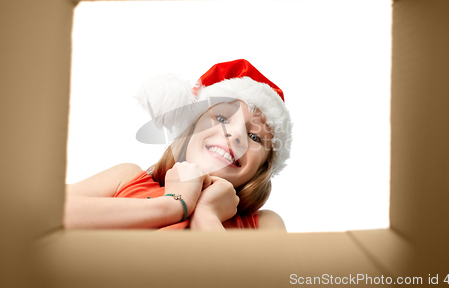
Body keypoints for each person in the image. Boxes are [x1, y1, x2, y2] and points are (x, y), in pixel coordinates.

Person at [64, 59, 292, 231]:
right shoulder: (127, 178)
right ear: (190, 130)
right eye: (221, 119)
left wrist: (206, 214)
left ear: (263, 167)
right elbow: (45, 214)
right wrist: (173, 205)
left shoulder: (264, 224)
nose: (235, 135)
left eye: (255, 137)